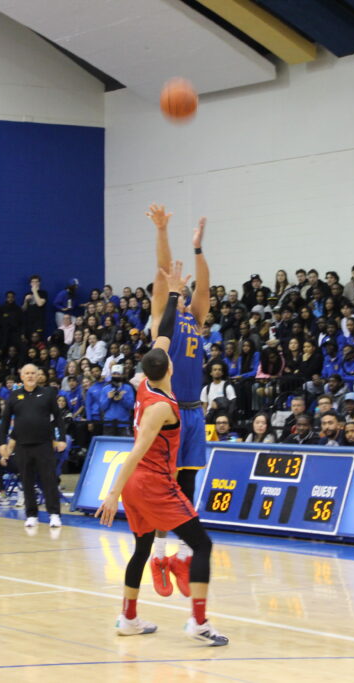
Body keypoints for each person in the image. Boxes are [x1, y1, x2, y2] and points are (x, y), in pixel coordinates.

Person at [96, 261, 228, 646]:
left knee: (140, 547)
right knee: (202, 544)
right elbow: (135, 453)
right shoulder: (162, 407)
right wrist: (111, 493)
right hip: (151, 482)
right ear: (169, 365)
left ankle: (128, 618)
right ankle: (199, 623)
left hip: (141, 484)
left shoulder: (145, 387)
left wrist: (173, 293)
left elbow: (165, 330)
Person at [145, 204, 212, 597]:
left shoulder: (196, 318)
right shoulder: (161, 317)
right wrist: (162, 232)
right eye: (177, 286)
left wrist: (199, 249)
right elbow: (161, 272)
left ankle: (183, 558)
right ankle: (156, 555)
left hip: (194, 412)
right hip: (167, 413)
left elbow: (203, 287)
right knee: (163, 486)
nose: (183, 287)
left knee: (187, 486)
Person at [0, 364, 67, 528]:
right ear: (21, 377)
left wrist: (62, 438)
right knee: (26, 481)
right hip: (22, 445)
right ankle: (31, 515)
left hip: (44, 444)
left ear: (38, 376)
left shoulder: (48, 394)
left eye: (32, 373)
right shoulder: (14, 396)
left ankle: (54, 514)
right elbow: (5, 421)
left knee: (49, 480)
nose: (30, 376)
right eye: (26, 373)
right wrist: (3, 443)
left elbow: (58, 417)